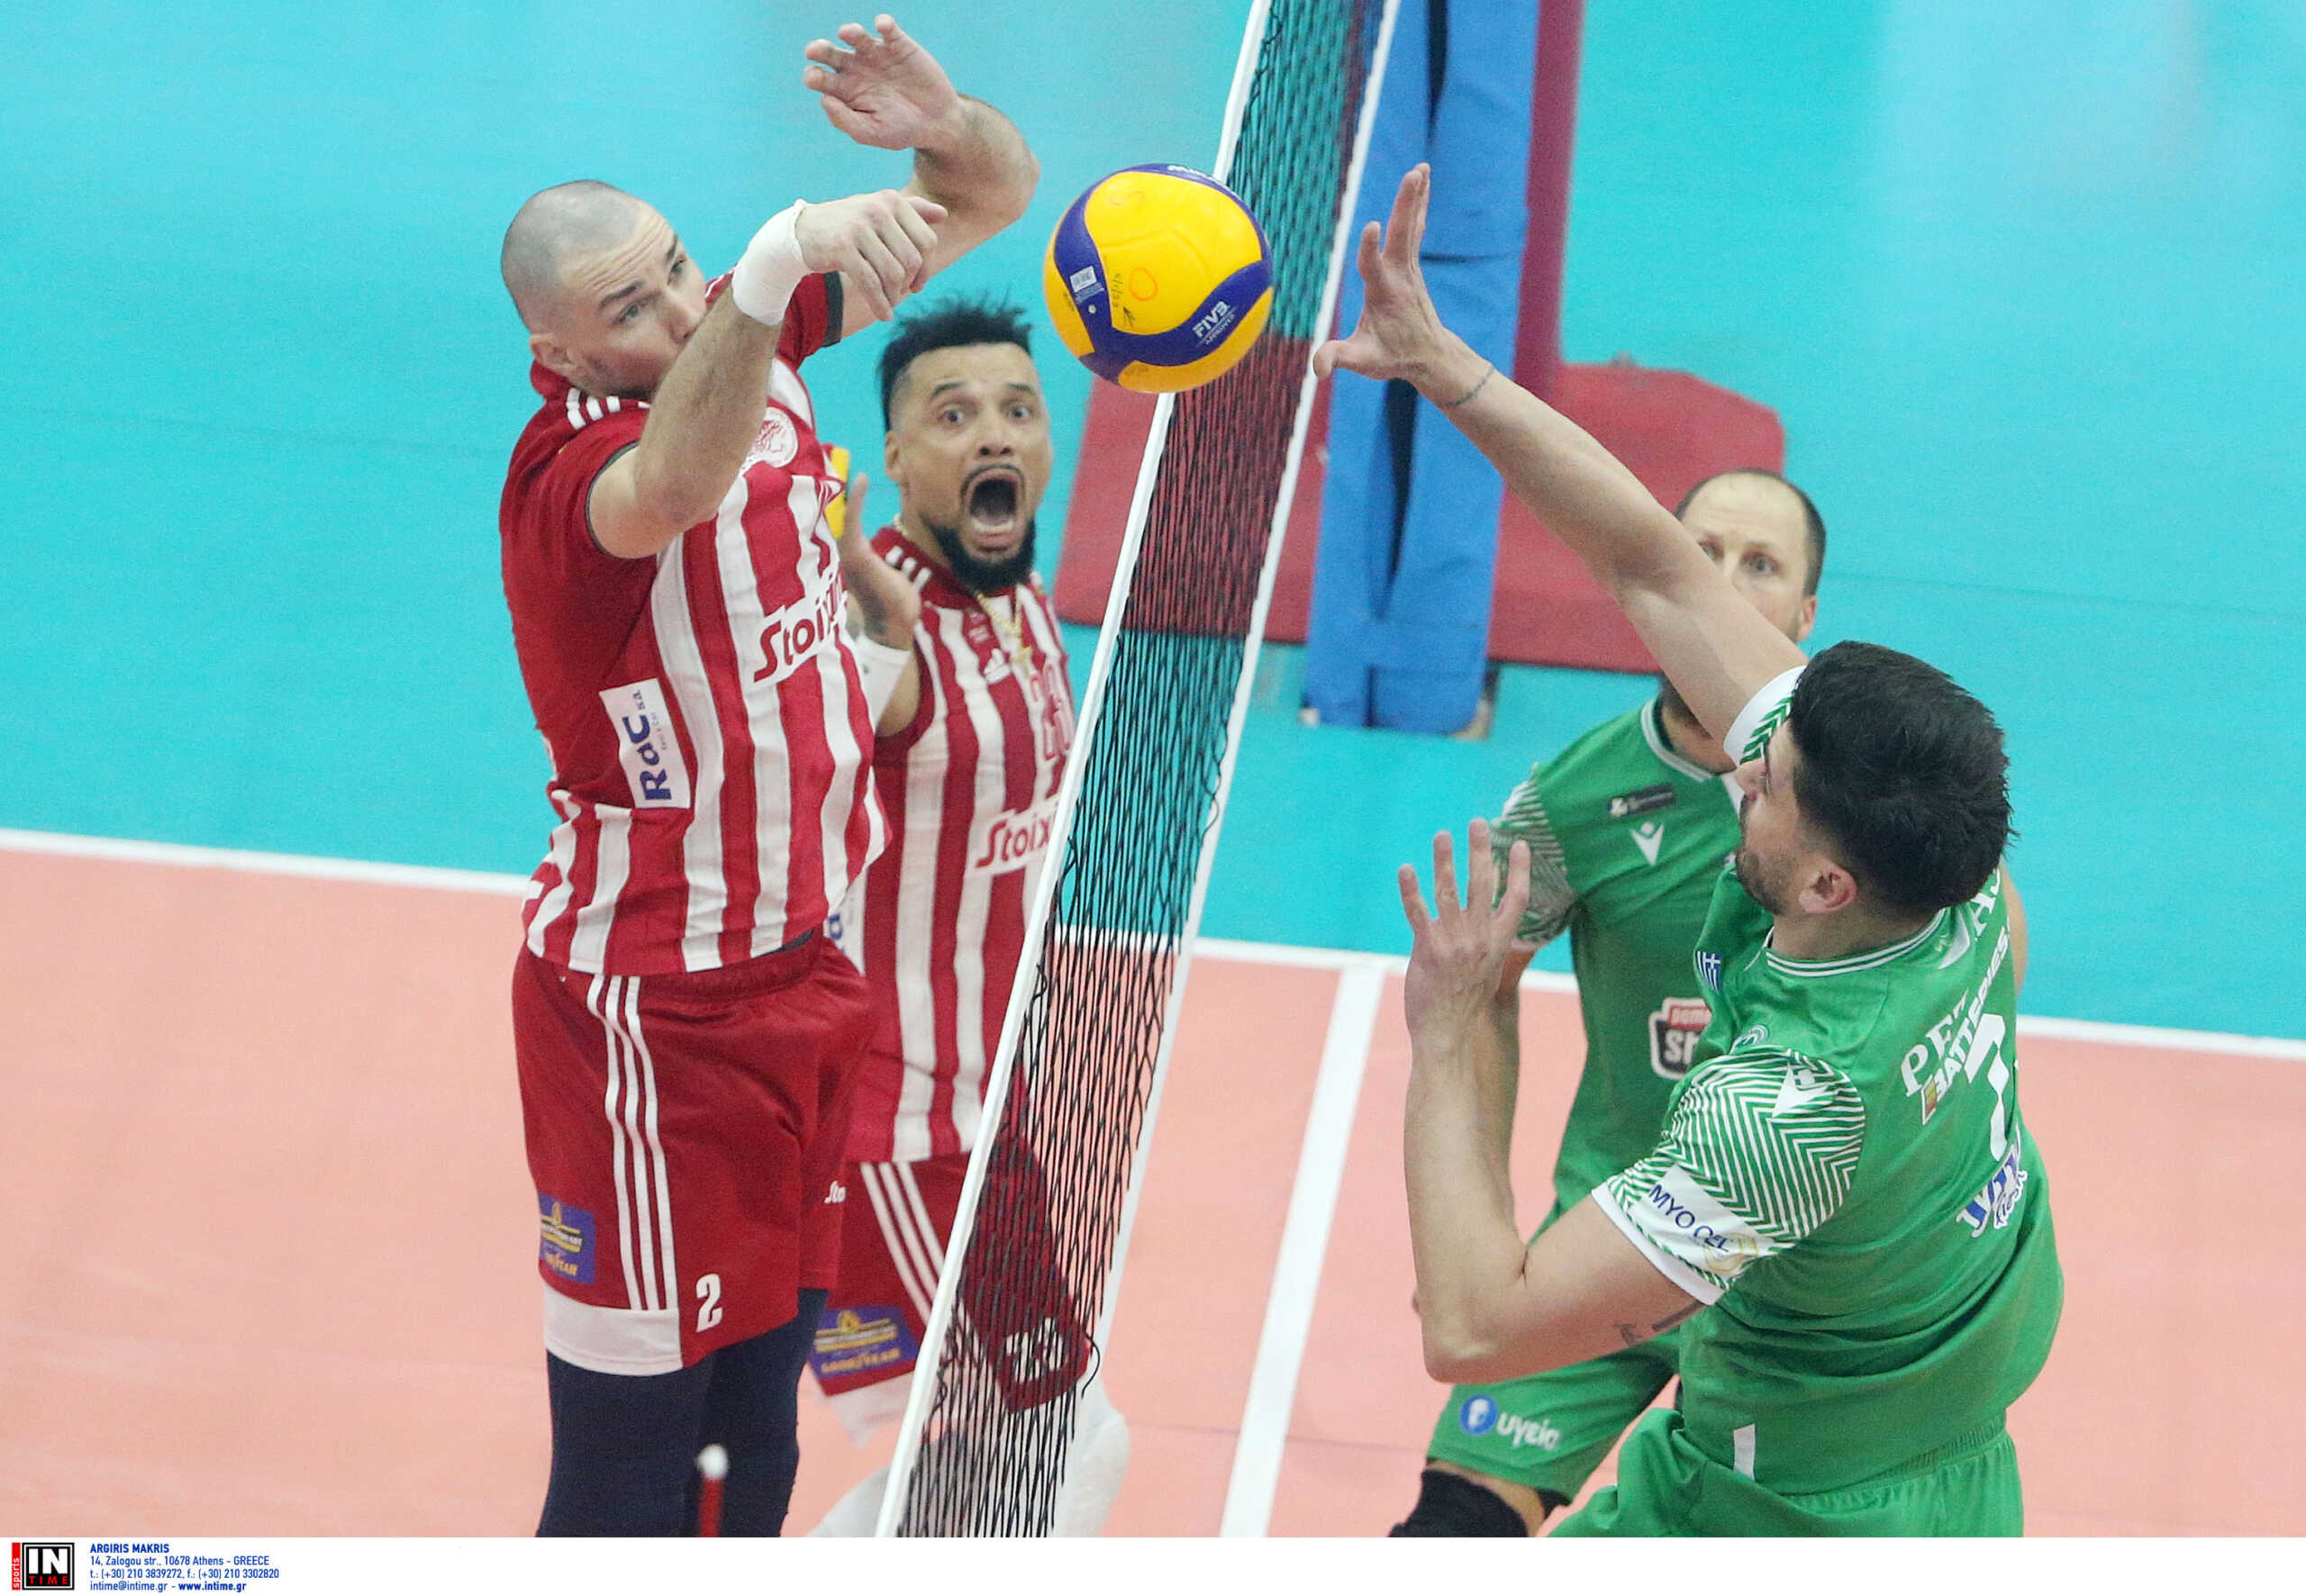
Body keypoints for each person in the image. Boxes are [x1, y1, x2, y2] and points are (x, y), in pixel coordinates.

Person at [1327, 166, 2060, 1536]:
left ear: (1829, 882)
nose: (1742, 761)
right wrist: (1444, 367)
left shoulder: (1791, 1110)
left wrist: (1445, 1025)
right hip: (1936, 1394)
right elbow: (1652, 568)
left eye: (1766, 784)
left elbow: (1474, 1326)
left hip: (1796, 1497)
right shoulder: (1946, 879)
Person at [494, 14, 1035, 1536]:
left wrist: (944, 126)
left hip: (810, 983)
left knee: (755, 1448)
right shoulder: (566, 485)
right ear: (561, 353)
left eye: (676, 268)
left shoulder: (757, 342)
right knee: (628, 1472)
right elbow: (673, 480)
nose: (675, 309)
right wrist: (766, 267)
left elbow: (994, 191)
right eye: (629, 306)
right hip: (648, 1020)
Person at [1392, 467, 1826, 1537]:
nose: (1720, 585)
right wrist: (1477, 1223)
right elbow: (1481, 995)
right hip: (1617, 1235)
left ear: (1805, 615)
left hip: (1794, 1283)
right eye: (1699, 553)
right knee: (1452, 1528)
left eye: (1759, 565)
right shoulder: (1571, 801)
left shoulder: (1855, 791)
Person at [800, 298, 1128, 1537]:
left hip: (992, 1103)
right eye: (952, 416)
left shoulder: (1024, 601)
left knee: (1002, 1446)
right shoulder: (881, 628)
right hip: (895, 1123)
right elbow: (854, 688)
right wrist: (837, 570)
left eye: (1017, 409)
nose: (993, 432)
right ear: (895, 456)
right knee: (1065, 1441)